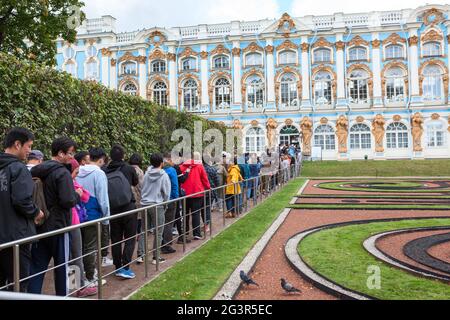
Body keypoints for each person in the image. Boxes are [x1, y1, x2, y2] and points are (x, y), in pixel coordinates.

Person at [29, 137, 80, 296]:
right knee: (62, 267)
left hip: (40, 226)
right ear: (60, 153)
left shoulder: (36, 170)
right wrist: (76, 195)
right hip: (58, 227)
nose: (72, 157)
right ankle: (63, 296)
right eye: (70, 154)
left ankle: (30, 297)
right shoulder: (62, 172)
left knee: (37, 267)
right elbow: (67, 200)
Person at [0, 128, 43, 292]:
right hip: (16, 237)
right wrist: (36, 212)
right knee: (19, 283)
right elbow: (21, 200)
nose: (30, 151)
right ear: (17, 144)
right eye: (29, 146)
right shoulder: (18, 168)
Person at [76, 147, 110, 286]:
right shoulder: (99, 174)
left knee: (78, 248)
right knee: (90, 247)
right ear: (101, 160)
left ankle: (80, 278)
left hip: (78, 213)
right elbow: (103, 199)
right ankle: (90, 278)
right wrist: (106, 218)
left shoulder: (77, 170)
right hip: (93, 214)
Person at [104, 145, 139, 279]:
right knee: (130, 238)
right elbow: (135, 183)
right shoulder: (129, 168)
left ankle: (117, 266)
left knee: (116, 239)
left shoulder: (105, 170)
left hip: (113, 208)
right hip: (128, 206)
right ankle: (125, 266)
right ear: (123, 155)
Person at [68, 159, 97, 298]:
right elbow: (85, 196)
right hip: (72, 222)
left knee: (69, 257)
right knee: (76, 255)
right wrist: (77, 192)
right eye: (76, 172)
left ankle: (73, 287)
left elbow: (85, 195)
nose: (77, 175)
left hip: (64, 224)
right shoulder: (69, 183)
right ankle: (77, 288)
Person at [141, 153, 171, 265]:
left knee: (144, 230)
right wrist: (165, 204)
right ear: (161, 163)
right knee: (158, 232)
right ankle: (156, 257)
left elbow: (143, 187)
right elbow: (167, 193)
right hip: (157, 205)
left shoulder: (146, 174)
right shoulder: (163, 175)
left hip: (145, 204)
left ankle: (141, 254)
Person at [179, 152, 211, 240]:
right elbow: (204, 178)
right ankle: (196, 233)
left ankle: (185, 232)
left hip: (185, 193)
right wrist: (208, 187)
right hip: (197, 192)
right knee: (195, 213)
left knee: (185, 214)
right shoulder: (199, 166)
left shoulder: (181, 167)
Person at [129, 154, 146, 263]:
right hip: (138, 203)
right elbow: (143, 187)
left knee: (130, 232)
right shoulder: (140, 172)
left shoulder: (124, 170)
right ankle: (140, 254)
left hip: (128, 203)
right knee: (139, 229)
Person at [161, 155, 179, 254]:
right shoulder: (172, 171)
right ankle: (166, 244)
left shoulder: (161, 170)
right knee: (168, 222)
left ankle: (162, 242)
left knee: (163, 222)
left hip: (161, 200)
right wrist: (176, 198)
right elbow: (175, 185)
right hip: (170, 199)